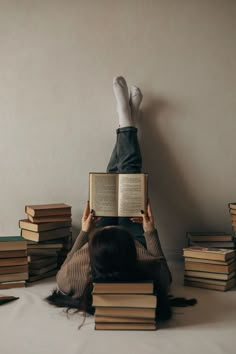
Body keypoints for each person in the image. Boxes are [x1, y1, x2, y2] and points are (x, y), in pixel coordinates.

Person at [46, 76, 173, 321]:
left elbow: (69, 263)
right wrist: (149, 231)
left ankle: (127, 120)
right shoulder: (149, 277)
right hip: (131, 236)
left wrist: (85, 231)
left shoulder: (72, 281)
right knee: (128, 176)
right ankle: (127, 119)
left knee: (112, 178)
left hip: (100, 236)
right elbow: (163, 270)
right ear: (131, 260)